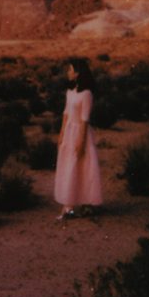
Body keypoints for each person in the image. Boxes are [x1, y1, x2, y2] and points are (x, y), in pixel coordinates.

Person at [53, 57, 102, 219]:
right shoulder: (70, 92)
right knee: (69, 167)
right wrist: (61, 135)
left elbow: (85, 119)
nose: (68, 72)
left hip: (81, 133)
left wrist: (81, 141)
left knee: (82, 167)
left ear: (78, 73)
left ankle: (84, 203)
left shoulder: (86, 94)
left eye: (70, 70)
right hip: (69, 132)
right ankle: (69, 205)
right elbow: (66, 114)